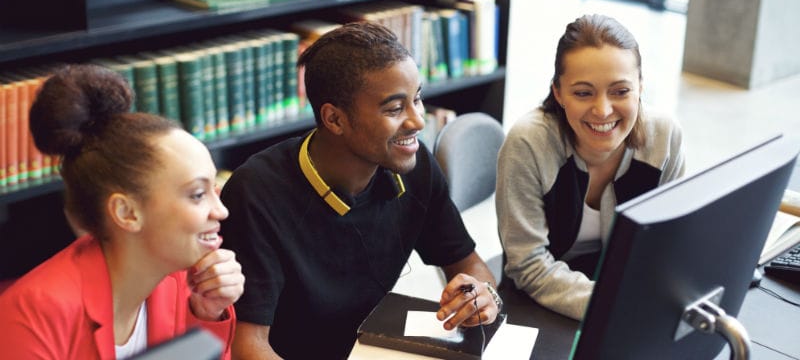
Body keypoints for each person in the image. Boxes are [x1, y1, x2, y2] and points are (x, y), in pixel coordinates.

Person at [220, 21, 502, 359]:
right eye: (395, 108)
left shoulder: (414, 165)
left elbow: (468, 264)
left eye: (418, 99)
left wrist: (481, 295)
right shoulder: (255, 193)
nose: (417, 121)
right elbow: (246, 346)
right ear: (335, 119)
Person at [0, 64, 245, 359]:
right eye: (197, 194)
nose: (221, 211)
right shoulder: (32, 317)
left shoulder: (184, 284)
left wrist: (206, 314)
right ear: (126, 213)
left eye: (214, 190)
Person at [496, 14, 686, 321]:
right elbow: (528, 265)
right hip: (539, 301)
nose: (603, 110)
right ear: (558, 92)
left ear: (640, 86)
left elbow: (669, 243)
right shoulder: (528, 143)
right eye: (583, 93)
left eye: (620, 91)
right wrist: (616, 305)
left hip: (626, 294)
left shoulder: (664, 137)